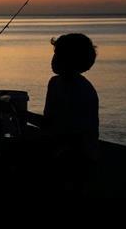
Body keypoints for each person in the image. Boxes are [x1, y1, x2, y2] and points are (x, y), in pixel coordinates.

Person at [30, 33, 100, 187]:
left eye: (58, 55)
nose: (53, 60)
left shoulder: (82, 90)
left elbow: (69, 133)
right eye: (54, 55)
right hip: (58, 148)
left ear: (71, 60)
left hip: (78, 159)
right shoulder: (54, 83)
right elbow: (50, 122)